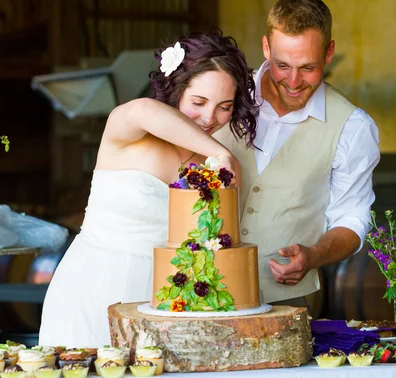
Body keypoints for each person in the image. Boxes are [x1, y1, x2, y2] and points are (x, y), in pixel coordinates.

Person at [39, 31, 259, 348]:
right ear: (175, 88)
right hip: (91, 288)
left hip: (166, 306)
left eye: (225, 106)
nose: (210, 117)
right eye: (198, 101)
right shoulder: (129, 129)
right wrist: (221, 153)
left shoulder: (216, 167)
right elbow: (144, 109)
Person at [214, 0, 380, 306]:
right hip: (199, 293)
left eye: (308, 67)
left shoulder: (353, 127)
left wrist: (314, 255)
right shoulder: (222, 95)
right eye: (282, 65)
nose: (292, 82)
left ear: (329, 53)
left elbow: (352, 218)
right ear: (266, 47)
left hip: (291, 301)